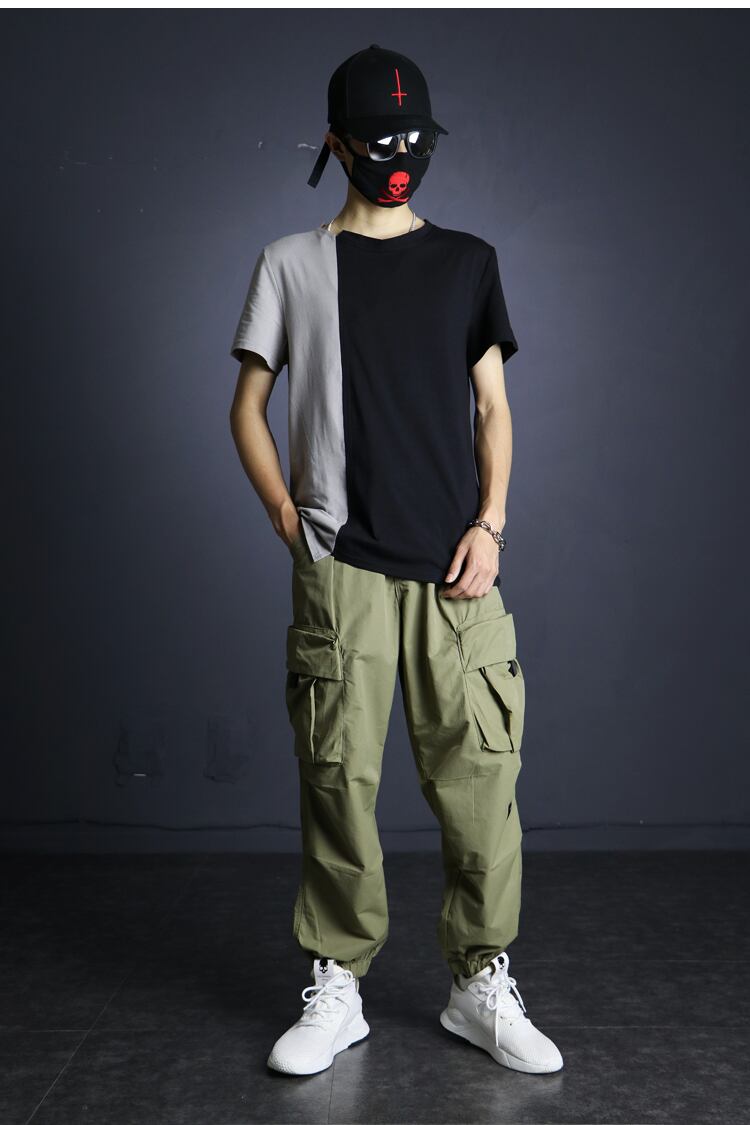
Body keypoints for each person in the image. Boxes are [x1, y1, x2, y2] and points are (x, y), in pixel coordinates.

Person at [229, 44, 563, 1079]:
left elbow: (493, 409)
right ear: (336, 145)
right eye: (379, 141)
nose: (399, 158)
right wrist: (285, 513)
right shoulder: (291, 263)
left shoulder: (468, 261)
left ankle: (479, 982)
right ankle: (338, 982)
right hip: (343, 567)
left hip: (457, 571)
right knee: (337, 778)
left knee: (481, 782)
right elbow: (248, 404)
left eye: (415, 140)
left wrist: (491, 524)